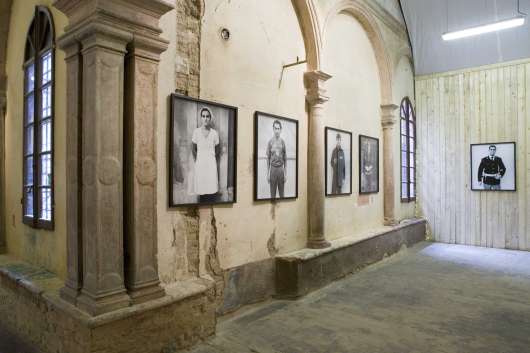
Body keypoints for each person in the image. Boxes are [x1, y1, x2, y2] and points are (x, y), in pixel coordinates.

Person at [191, 107, 220, 202]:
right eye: (203, 116)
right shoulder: (196, 132)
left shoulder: (214, 133)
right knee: (201, 189)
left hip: (211, 164)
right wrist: (198, 159)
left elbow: (217, 149)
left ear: (210, 118)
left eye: (207, 116)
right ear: (201, 118)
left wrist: (210, 158)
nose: (205, 118)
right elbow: (193, 149)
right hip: (200, 164)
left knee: (211, 189)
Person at [266, 120, 287, 198]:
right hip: (273, 170)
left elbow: (285, 159)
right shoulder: (270, 142)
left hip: (281, 170)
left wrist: (285, 173)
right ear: (273, 129)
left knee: (282, 195)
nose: (277, 130)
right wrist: (268, 174)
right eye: (275, 128)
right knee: (272, 195)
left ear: (281, 130)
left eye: (278, 128)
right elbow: (268, 159)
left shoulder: (282, 142)